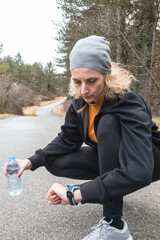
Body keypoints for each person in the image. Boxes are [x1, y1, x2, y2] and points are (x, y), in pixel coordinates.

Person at [3, 35, 160, 240]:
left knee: (107, 123)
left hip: (148, 161)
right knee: (55, 162)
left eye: (91, 81)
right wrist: (32, 161)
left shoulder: (128, 102)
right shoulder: (80, 102)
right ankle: (112, 186)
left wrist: (75, 194)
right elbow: (68, 139)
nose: (83, 90)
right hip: (117, 162)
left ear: (107, 75)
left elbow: (139, 170)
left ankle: (114, 226)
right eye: (77, 82)